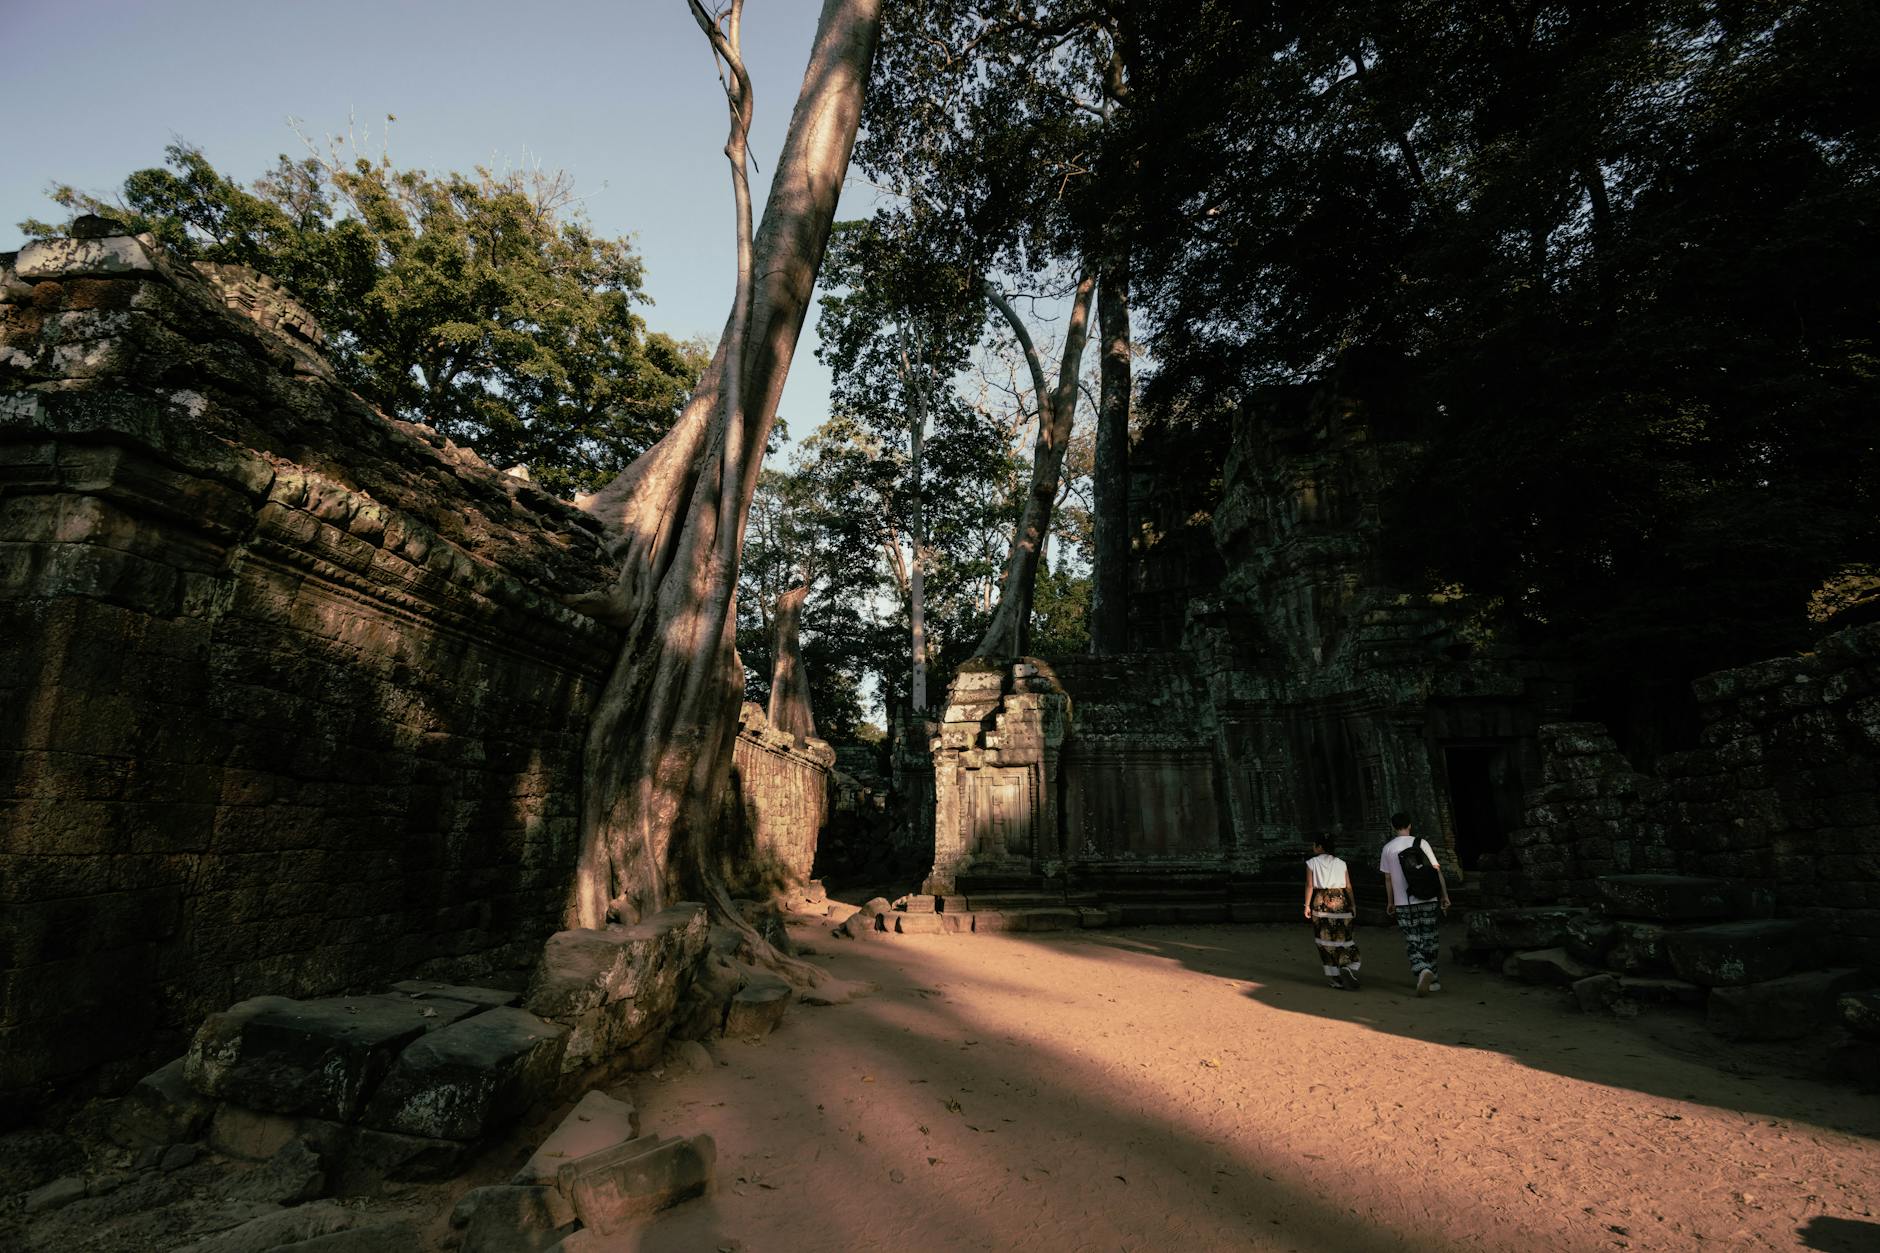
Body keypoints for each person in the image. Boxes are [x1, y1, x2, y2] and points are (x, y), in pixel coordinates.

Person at [1379, 811, 1450, 995]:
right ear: (1409, 825)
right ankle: (1433, 978)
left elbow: (1388, 879)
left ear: (1393, 827)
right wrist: (1444, 895)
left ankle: (1421, 969)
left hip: (1404, 902)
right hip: (1428, 897)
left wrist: (1391, 901)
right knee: (1430, 938)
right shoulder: (1421, 843)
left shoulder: (1388, 848)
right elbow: (1436, 871)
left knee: (1412, 939)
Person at [1302, 834, 1361, 990]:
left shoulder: (1312, 863)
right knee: (1344, 937)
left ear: (1320, 847)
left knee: (1325, 941)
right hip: (1341, 901)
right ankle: (1348, 965)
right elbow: (1348, 886)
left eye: (1314, 845)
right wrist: (1353, 904)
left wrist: (1306, 905)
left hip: (1321, 901)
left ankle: (1335, 978)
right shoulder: (1341, 863)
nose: (1313, 848)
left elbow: (1309, 885)